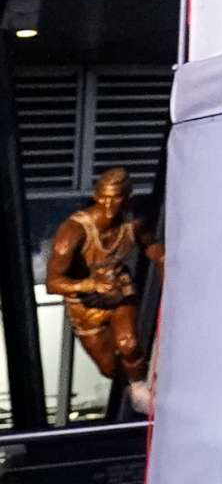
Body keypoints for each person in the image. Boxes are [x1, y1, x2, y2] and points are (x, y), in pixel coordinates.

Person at [45, 167, 161, 409]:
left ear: (127, 197)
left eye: (116, 197)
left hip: (119, 293)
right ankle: (132, 380)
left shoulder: (132, 224)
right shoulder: (73, 233)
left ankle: (141, 385)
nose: (109, 204)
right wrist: (90, 284)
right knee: (108, 368)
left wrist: (164, 263)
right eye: (104, 197)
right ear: (96, 196)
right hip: (86, 306)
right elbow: (53, 283)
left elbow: (151, 246)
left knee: (129, 344)